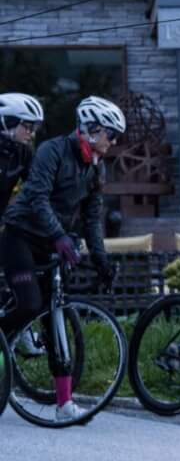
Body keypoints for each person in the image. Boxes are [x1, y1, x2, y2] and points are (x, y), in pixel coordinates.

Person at [1, 96, 124, 422]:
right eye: (111, 134)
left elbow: (92, 218)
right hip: (21, 236)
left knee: (52, 315)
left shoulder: (96, 167)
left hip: (52, 244)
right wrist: (59, 234)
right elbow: (37, 197)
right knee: (29, 303)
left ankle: (64, 404)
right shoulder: (52, 151)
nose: (114, 142)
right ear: (92, 129)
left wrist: (101, 260)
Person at [0, 93, 43, 213]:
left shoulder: (24, 152)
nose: (32, 133)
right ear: (8, 122)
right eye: (28, 127)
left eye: (35, 128)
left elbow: (35, 185)